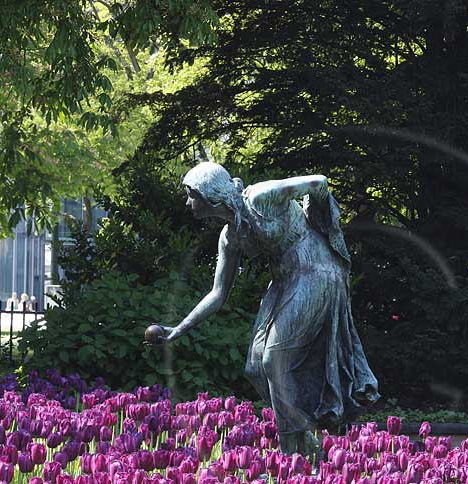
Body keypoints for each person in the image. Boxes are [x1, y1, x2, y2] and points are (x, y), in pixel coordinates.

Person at [153, 161, 380, 456]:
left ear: (211, 193)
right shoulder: (229, 237)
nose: (188, 202)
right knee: (255, 368)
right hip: (285, 279)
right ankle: (306, 442)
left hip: (316, 270)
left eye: (192, 194)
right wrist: (177, 330)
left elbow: (319, 181)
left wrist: (324, 226)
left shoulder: (260, 197)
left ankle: (292, 453)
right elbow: (218, 293)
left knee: (274, 359)